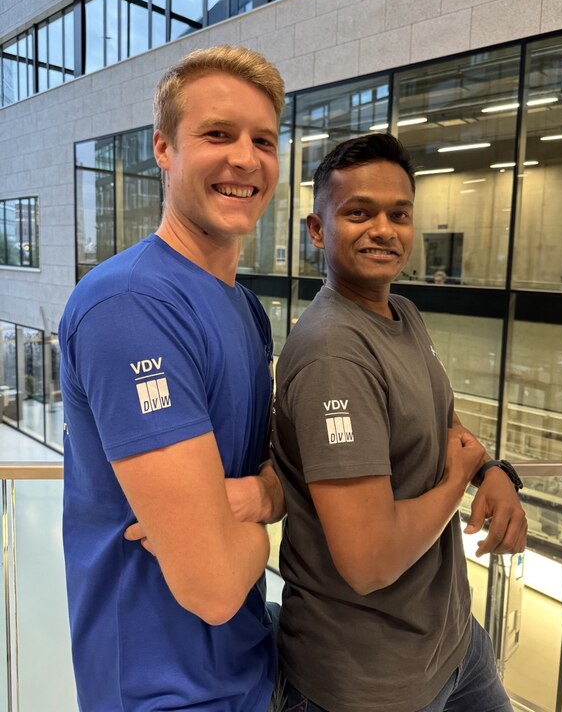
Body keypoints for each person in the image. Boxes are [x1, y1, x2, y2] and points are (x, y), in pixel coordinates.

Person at [59, 45, 286, 711]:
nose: (245, 159)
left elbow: (276, 468)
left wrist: (259, 497)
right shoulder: (130, 305)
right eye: (217, 134)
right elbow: (211, 586)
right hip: (161, 692)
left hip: (250, 668)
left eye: (263, 140)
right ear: (163, 148)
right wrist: (260, 522)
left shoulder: (244, 308)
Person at [271, 133, 528, 712]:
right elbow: (369, 560)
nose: (383, 229)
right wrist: (457, 480)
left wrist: (490, 470)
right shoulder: (334, 355)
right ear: (317, 230)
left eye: (399, 214)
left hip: (453, 644)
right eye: (359, 213)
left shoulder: (401, 313)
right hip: (370, 680)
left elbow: (439, 418)